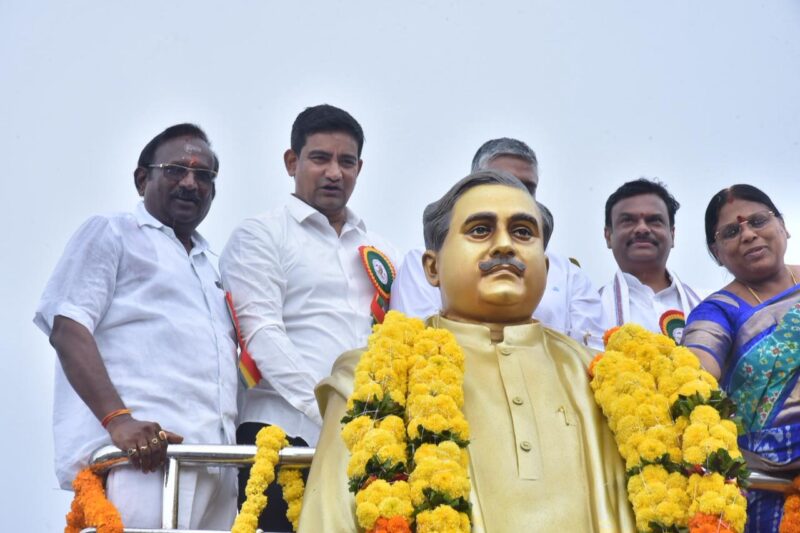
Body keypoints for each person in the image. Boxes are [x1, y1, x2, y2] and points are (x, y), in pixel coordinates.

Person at [299, 170, 634, 532]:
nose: (505, 245)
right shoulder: (373, 376)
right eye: (480, 230)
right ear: (432, 267)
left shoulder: (604, 379)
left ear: (547, 267)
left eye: (523, 232)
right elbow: (328, 518)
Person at [34, 124, 238, 528]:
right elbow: (68, 327)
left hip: (219, 463)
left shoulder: (211, 268)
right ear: (142, 178)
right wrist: (118, 420)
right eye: (176, 169)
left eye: (204, 176)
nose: (191, 182)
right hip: (147, 459)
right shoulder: (113, 233)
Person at [219, 104, 399, 531]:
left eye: (346, 161)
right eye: (320, 158)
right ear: (291, 161)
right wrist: (330, 410)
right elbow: (261, 333)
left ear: (360, 167)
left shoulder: (381, 249)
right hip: (280, 436)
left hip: (362, 443)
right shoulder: (261, 234)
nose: (334, 172)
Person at [391, 137, 606, 348]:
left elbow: (590, 353)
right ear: (433, 268)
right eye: (480, 230)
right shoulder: (427, 261)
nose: (512, 191)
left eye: (526, 188)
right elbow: (415, 343)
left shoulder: (569, 275)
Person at [682, 184, 800, 532]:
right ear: (716, 252)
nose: (748, 234)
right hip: (771, 486)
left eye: (758, 221)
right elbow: (695, 372)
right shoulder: (718, 310)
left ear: (783, 226)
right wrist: (693, 380)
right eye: (731, 231)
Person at [600, 178, 701, 343]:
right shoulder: (591, 308)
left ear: (672, 234)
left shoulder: (708, 303)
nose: (642, 229)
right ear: (608, 236)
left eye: (654, 220)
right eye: (628, 221)